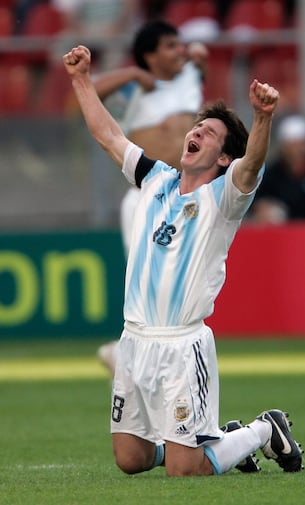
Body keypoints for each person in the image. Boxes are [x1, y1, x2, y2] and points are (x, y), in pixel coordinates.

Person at [63, 44, 304, 477]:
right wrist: (81, 79)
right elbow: (109, 136)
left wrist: (263, 117)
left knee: (185, 472)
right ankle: (211, 441)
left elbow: (251, 165)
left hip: (182, 344)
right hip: (134, 341)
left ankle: (263, 430)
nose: (196, 132)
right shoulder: (156, 179)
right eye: (198, 126)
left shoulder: (224, 198)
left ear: (224, 157)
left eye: (209, 133)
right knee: (131, 460)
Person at [96, 20, 208, 374]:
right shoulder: (133, 91)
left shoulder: (189, 77)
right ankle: (130, 351)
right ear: (149, 55)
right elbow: (89, 90)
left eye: (179, 44)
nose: (180, 51)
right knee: (146, 279)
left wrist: (197, 54)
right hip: (145, 195)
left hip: (187, 196)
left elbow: (200, 58)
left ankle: (131, 356)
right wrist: (132, 74)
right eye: (170, 46)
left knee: (181, 278)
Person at [251, 114, 305, 223]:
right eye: (294, 145)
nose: (299, 150)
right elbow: (256, 202)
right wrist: (262, 207)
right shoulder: (271, 174)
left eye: (303, 144)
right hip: (279, 235)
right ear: (284, 147)